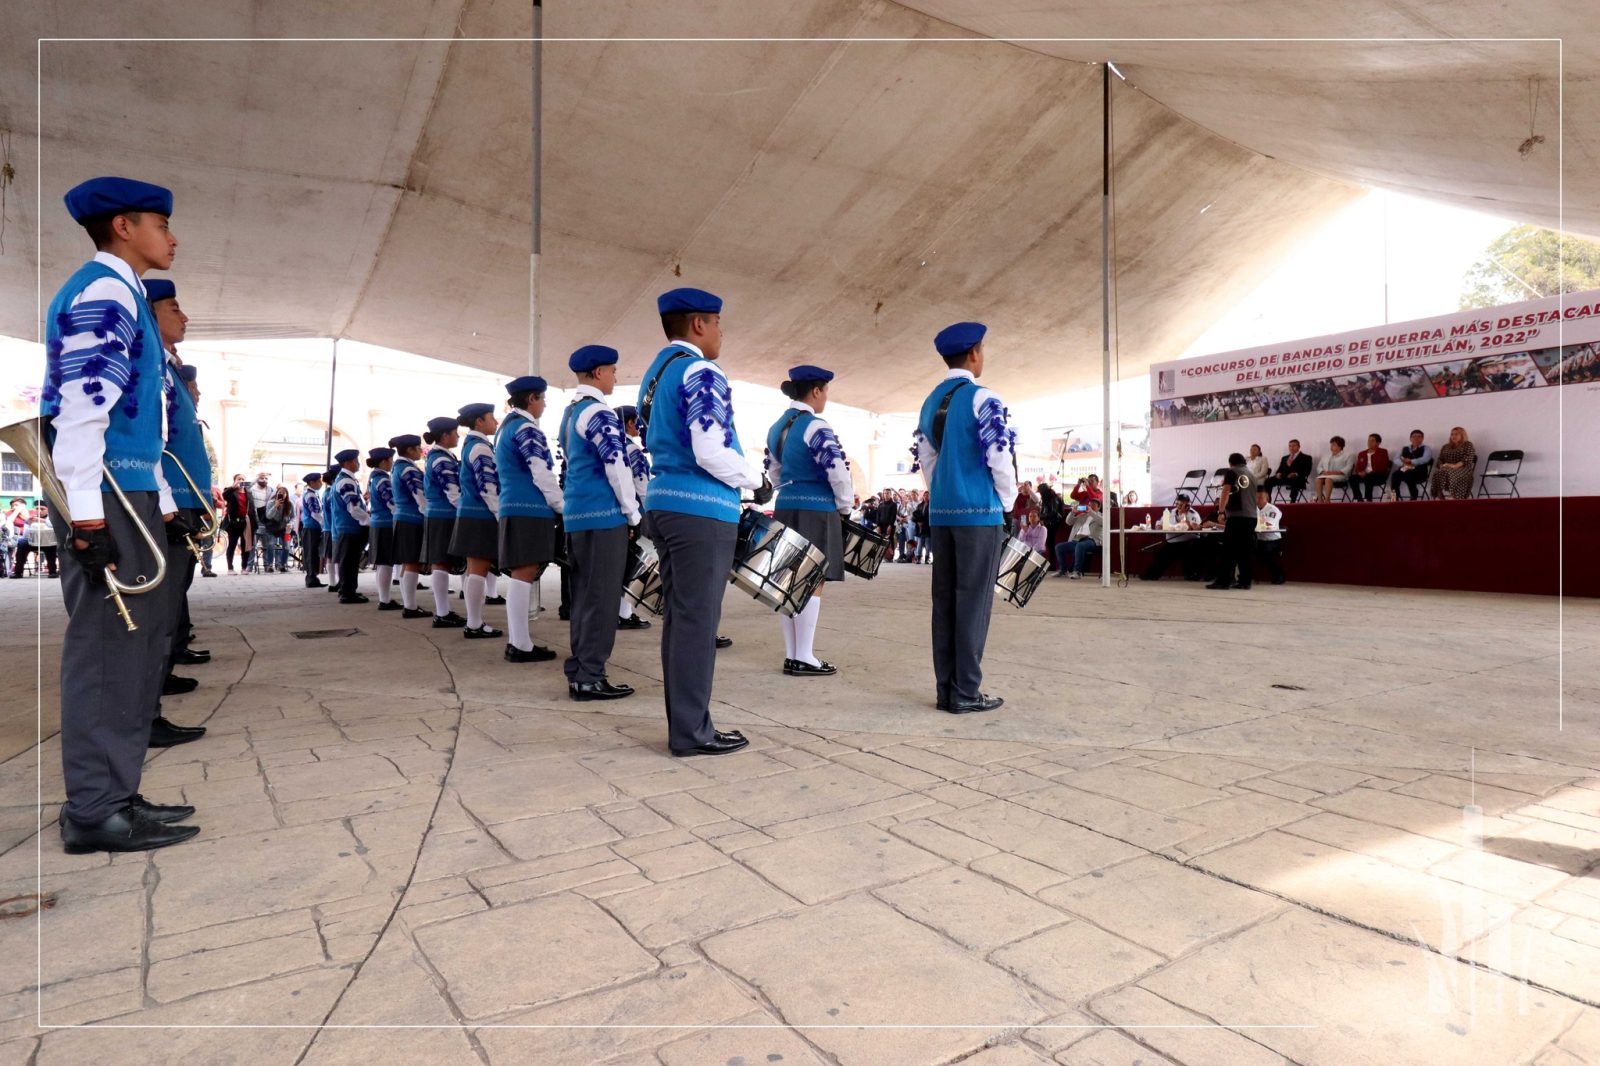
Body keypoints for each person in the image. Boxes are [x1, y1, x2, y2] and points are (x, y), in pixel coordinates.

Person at [41, 175, 198, 852]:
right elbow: (83, 407)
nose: (172, 237)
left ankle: (115, 793)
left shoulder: (123, 290)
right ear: (125, 227)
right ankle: (93, 811)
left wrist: (160, 506)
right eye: (161, 224)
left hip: (125, 489)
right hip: (101, 492)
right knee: (109, 649)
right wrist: (87, 519)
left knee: (134, 647)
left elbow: (140, 426)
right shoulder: (104, 289)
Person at [637, 287, 758, 756]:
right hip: (700, 509)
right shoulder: (701, 370)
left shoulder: (655, 373)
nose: (722, 333)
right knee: (697, 624)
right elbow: (709, 449)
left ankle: (688, 725)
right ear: (699, 325)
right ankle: (692, 732)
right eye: (719, 323)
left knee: (682, 622)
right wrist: (755, 478)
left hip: (666, 504)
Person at [912, 321, 1017, 714]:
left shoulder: (928, 402)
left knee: (945, 602)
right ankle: (966, 692)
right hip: (979, 512)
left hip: (943, 512)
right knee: (973, 603)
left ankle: (946, 689)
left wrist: (944, 492)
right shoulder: (983, 398)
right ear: (975, 353)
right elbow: (999, 456)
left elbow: (928, 460)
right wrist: (1005, 502)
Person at [560, 348, 641, 697]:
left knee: (583, 597)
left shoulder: (570, 412)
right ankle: (590, 675)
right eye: (611, 370)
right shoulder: (599, 412)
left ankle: (581, 669)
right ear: (597, 373)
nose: (615, 376)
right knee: (603, 599)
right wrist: (632, 511)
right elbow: (617, 465)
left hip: (577, 516)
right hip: (603, 516)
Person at [765, 364, 854, 677]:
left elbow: (774, 473)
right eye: (825, 391)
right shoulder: (816, 426)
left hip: (786, 505)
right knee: (813, 579)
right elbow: (838, 471)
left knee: (788, 580)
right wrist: (845, 507)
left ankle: (793, 654)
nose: (826, 398)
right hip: (816, 508)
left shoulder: (776, 427)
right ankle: (804, 656)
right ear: (816, 390)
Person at [494, 377, 563, 662]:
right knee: (524, 574)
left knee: (523, 574)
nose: (545, 404)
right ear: (532, 398)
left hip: (514, 505)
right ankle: (520, 644)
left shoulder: (506, 428)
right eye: (543, 399)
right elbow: (541, 471)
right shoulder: (526, 428)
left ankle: (518, 641)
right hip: (528, 508)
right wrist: (561, 504)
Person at [448, 403, 503, 638]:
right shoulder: (480, 447)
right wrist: (500, 514)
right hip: (480, 515)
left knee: (474, 571)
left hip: (470, 514)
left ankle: (473, 622)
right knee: (478, 570)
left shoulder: (472, 444)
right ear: (479, 421)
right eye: (491, 417)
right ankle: (473, 623)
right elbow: (488, 486)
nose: (496, 421)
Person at [422, 416, 468, 627]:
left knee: (442, 562)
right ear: (444, 435)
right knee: (440, 563)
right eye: (455, 432)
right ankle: (442, 613)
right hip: (443, 515)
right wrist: (467, 512)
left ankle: (443, 612)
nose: (458, 436)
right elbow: (453, 493)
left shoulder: (441, 457)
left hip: (440, 515)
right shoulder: (441, 459)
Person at [615, 404, 654, 631]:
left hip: (621, 510)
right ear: (630, 423)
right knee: (634, 563)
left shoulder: (617, 448)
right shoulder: (632, 450)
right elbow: (643, 486)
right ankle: (624, 613)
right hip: (636, 510)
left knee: (626, 562)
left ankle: (623, 612)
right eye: (636, 421)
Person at [388, 435, 431, 618]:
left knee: (408, 562)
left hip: (403, 518)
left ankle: (409, 604)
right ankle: (411, 607)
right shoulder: (407, 469)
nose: (421, 451)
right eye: (418, 448)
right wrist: (427, 512)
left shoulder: (399, 467)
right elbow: (419, 494)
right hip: (411, 519)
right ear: (409, 450)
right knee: (412, 561)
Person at [1207, 452, 1259, 589]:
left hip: (1237, 516)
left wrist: (1221, 511)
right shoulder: (1252, 475)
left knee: (1228, 549)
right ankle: (1245, 581)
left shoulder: (1232, 472)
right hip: (1252, 516)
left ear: (1230, 463)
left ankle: (1223, 581)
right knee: (1245, 551)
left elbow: (1225, 491)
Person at [328, 449, 371, 604]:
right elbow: (353, 507)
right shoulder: (346, 481)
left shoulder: (345, 479)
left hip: (346, 526)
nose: (358, 463)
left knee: (350, 561)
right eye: (355, 460)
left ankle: (348, 590)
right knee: (349, 561)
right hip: (350, 527)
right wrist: (368, 520)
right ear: (348, 463)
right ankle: (347, 593)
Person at [1140, 493, 1204, 581]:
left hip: (1188, 541)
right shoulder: (1170, 512)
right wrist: (1159, 526)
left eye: (1183, 504)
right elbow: (1159, 523)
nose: (1180, 506)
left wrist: (1184, 514)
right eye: (1178, 503)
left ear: (1188, 504)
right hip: (1173, 541)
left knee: (1188, 552)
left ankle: (1192, 575)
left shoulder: (1193, 514)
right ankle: (1151, 575)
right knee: (1161, 554)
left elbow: (1195, 528)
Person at [365, 447, 398, 609]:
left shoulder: (374, 478)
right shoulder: (383, 480)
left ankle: (384, 598)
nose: (392, 463)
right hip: (386, 523)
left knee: (383, 563)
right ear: (384, 461)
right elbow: (392, 503)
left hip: (377, 522)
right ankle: (384, 600)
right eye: (391, 460)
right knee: (386, 563)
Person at [1055, 498, 1103, 579]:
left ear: (1098, 507)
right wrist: (1073, 512)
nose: (1090, 507)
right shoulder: (1082, 515)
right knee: (1059, 547)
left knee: (1080, 546)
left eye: (1093, 505)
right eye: (1089, 505)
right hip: (1077, 539)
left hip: (1093, 540)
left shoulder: (1101, 516)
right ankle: (1063, 570)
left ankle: (1077, 571)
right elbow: (1068, 522)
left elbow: (1102, 522)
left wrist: (1091, 512)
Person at [1430, 426, 1477, 499]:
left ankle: (1455, 496)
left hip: (1463, 469)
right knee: (1438, 473)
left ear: (1462, 435)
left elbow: (1468, 458)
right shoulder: (1445, 446)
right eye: (1452, 434)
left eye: (1456, 434)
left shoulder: (1467, 444)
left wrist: (1454, 466)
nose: (1453, 436)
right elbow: (1440, 459)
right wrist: (1441, 465)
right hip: (1447, 468)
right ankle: (1439, 496)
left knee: (1451, 473)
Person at [15, 504, 59, 578]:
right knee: (22, 543)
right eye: (37, 508)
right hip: (33, 542)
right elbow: (25, 535)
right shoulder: (30, 519)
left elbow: (55, 527)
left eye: (42, 509)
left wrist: (43, 521)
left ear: (48, 510)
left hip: (48, 542)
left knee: (51, 546)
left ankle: (52, 571)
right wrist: (29, 523)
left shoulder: (52, 518)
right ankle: (18, 572)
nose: (39, 511)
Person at [1388, 429, 1433, 500]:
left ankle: (1414, 495)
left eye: (1419, 436)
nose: (1416, 438)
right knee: (1395, 475)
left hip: (1420, 472)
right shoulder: (1404, 448)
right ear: (1410, 438)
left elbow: (1425, 459)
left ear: (1422, 438)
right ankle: (1394, 496)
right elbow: (1396, 459)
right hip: (1405, 468)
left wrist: (1411, 461)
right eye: (1414, 436)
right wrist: (1402, 464)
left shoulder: (1426, 448)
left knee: (1409, 473)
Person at [297, 471, 325, 586]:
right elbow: (315, 512)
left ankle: (313, 577)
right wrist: (323, 524)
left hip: (312, 527)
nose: (321, 483)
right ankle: (311, 578)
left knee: (312, 552)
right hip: (311, 527)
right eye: (318, 481)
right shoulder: (310, 494)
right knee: (311, 553)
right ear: (311, 483)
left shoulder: (312, 493)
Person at [1255, 488, 1286, 584]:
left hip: (1272, 540)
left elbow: (1267, 525)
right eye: (1255, 497)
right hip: (1258, 539)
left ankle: (1279, 576)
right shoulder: (1253, 508)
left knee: (1265, 553)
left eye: (1260, 497)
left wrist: (1251, 521)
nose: (1257, 499)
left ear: (1267, 498)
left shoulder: (1273, 510)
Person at [222, 474, 251, 572]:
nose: (241, 481)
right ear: (234, 480)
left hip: (245, 522)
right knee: (232, 544)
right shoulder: (230, 491)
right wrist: (233, 487)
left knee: (245, 545)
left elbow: (251, 507)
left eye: (243, 479)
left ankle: (244, 567)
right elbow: (224, 495)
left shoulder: (248, 492)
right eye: (239, 479)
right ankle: (230, 568)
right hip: (233, 522)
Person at [1349, 433, 1390, 501]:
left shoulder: (1383, 452)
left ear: (1378, 443)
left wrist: (1370, 472)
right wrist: (1359, 472)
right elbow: (1357, 467)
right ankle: (1359, 499)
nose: (1369, 442)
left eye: (1372, 440)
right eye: (1368, 440)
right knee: (1352, 478)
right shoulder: (1362, 453)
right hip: (1364, 475)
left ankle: (1368, 499)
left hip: (1378, 475)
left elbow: (1384, 466)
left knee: (1369, 477)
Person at [1312, 436, 1353, 502]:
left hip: (1341, 476)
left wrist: (1334, 472)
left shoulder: (1348, 455)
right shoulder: (1326, 456)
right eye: (1331, 444)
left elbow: (1348, 468)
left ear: (1340, 446)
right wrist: (1323, 472)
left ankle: (1327, 500)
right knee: (1317, 480)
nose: (1331, 446)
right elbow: (1319, 467)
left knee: (1328, 479)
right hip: (1326, 475)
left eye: (1333, 445)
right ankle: (1320, 500)